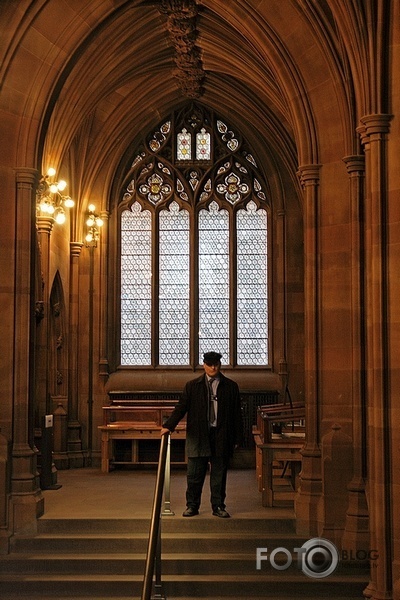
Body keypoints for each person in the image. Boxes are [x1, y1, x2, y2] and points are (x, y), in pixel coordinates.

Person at [160, 351, 243, 518]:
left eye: (216, 364)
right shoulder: (192, 386)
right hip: (199, 435)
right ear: (204, 365)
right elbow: (181, 408)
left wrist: (237, 437)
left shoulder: (231, 386)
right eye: (210, 364)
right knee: (194, 474)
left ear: (220, 365)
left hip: (221, 435)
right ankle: (192, 506)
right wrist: (168, 426)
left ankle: (218, 506)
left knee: (219, 474)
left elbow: (236, 415)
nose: (213, 367)